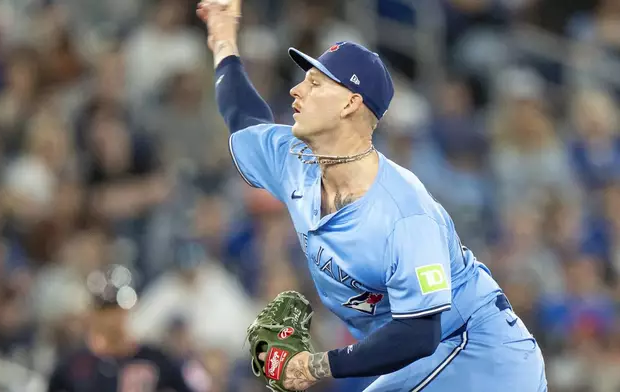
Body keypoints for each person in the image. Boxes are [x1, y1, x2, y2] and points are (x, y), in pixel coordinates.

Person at [196, 2, 548, 392]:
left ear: (350, 103)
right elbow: (244, 118)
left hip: (478, 349)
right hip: (427, 357)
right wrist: (223, 36)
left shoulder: (403, 211)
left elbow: (419, 333)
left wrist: (314, 365)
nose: (296, 89)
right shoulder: (295, 160)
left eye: (315, 83)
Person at [47, 265, 197, 392]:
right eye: (106, 311)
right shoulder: (74, 365)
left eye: (119, 309)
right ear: (91, 314)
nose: (114, 319)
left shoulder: (154, 359)